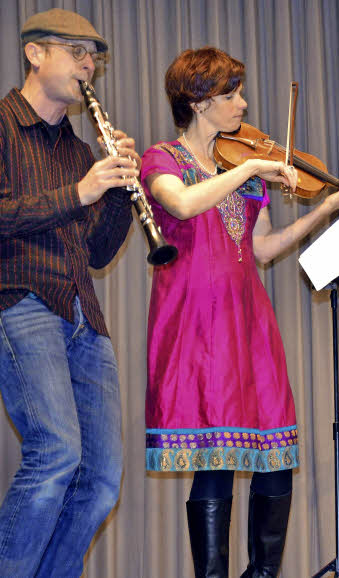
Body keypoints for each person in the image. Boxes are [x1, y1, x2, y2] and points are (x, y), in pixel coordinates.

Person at [141, 47, 339, 577]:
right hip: (196, 323)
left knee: (275, 456)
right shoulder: (162, 159)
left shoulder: (243, 170)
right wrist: (257, 167)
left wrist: (324, 210)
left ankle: (262, 574)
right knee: (216, 458)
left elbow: (262, 249)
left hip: (249, 320)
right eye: (230, 95)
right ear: (197, 103)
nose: (242, 103)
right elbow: (182, 204)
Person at [0, 8, 140, 576]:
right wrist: (79, 193)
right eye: (77, 52)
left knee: (103, 480)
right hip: (21, 300)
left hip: (84, 313)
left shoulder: (84, 153)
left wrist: (121, 193)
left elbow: (100, 253)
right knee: (56, 454)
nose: (89, 65)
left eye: (94, 57)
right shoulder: (3, 126)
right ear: (35, 53)